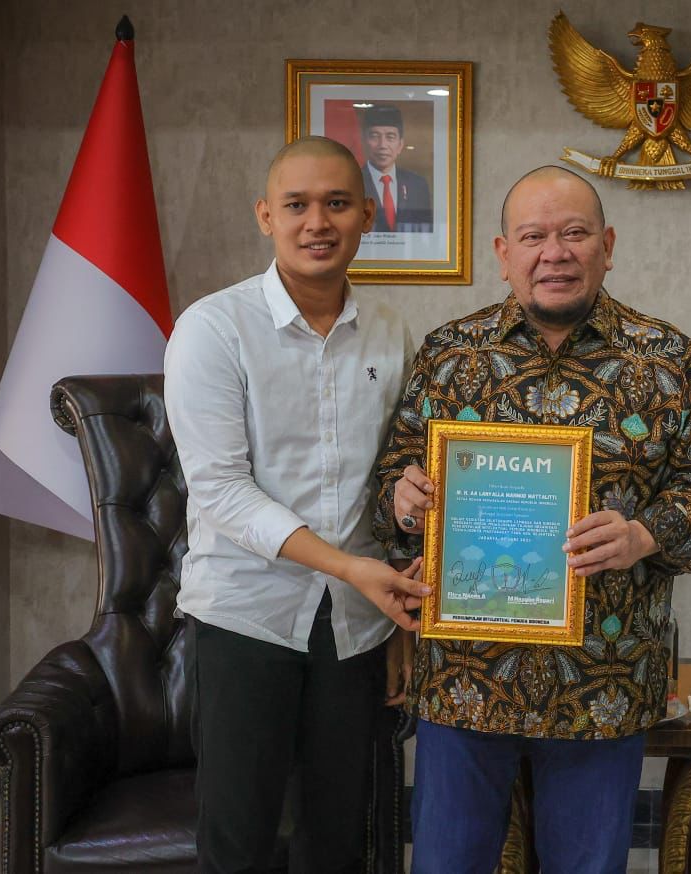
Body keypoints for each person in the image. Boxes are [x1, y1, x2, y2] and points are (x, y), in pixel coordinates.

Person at [374, 165, 691, 874]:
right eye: (533, 236)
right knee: (446, 863)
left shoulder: (665, 356)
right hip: (466, 677)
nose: (555, 253)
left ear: (608, 245)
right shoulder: (449, 355)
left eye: (574, 233)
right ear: (503, 252)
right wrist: (404, 501)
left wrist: (643, 535)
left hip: (603, 677)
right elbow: (393, 475)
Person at [163, 136, 426, 874]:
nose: (318, 222)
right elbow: (220, 490)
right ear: (265, 216)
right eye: (297, 205)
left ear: (366, 214)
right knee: (239, 842)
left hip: (357, 626)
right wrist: (348, 568)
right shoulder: (213, 328)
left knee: (338, 840)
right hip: (246, 617)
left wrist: (396, 621)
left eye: (337, 203)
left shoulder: (390, 331)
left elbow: (394, 480)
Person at [360, 103, 433, 233]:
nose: (383, 145)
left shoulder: (418, 185)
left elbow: (426, 233)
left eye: (390, 137)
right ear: (364, 142)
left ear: (400, 145)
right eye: (375, 136)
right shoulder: (351, 183)